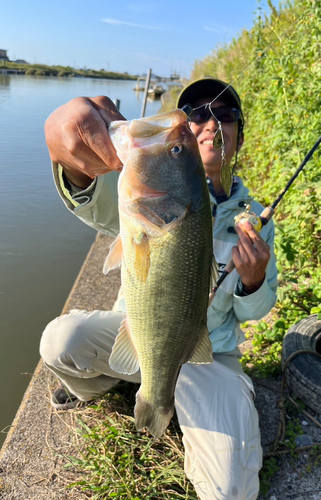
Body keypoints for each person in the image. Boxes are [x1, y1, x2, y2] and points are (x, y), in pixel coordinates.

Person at [40, 77, 278, 500]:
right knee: (60, 340)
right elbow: (88, 193)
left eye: (225, 115)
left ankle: (165, 396)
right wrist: (69, 151)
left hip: (210, 356)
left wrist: (254, 280)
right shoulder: (135, 198)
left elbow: (255, 312)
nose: (207, 124)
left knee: (231, 491)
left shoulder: (256, 218)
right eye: (195, 116)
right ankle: (100, 388)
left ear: (239, 136)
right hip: (137, 333)